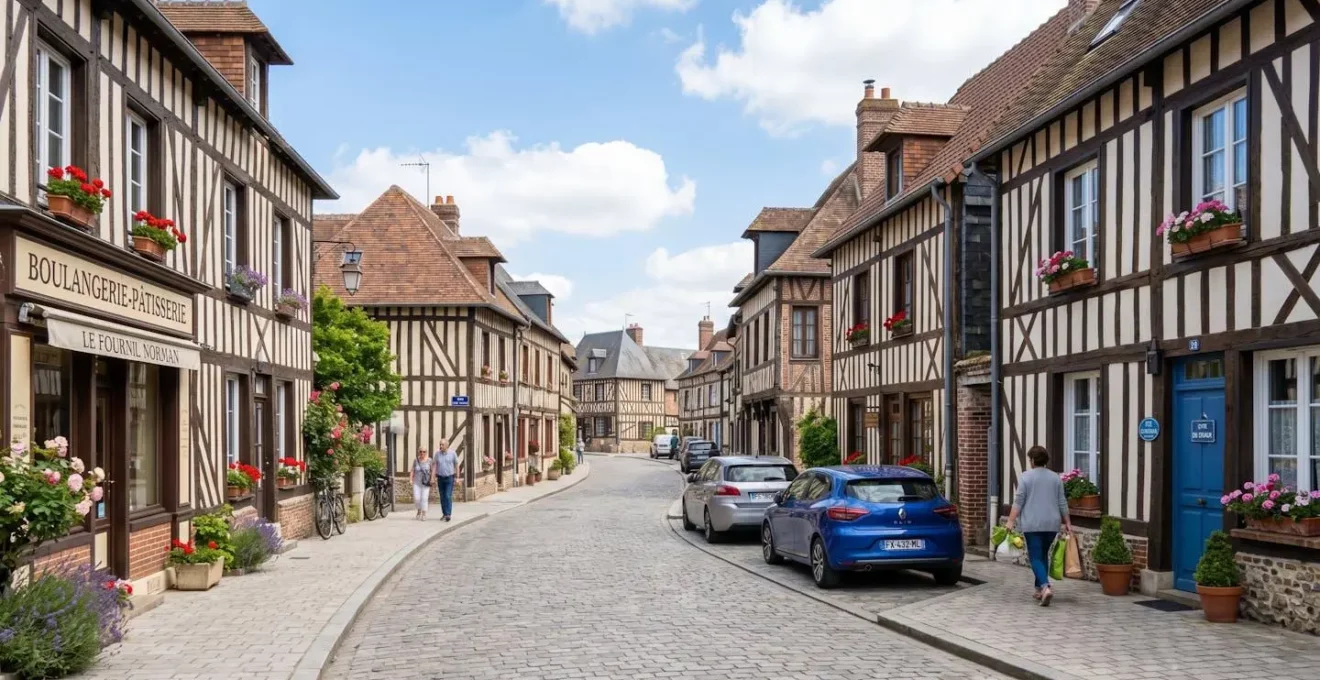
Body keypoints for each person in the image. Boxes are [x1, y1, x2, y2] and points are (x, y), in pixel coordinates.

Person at [1005, 446, 1073, 606]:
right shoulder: (1056, 478)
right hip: (1052, 524)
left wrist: (1010, 520)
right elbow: (1062, 501)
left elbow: (1019, 501)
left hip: (1032, 524)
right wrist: (1068, 522)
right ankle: (1038, 589)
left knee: (1035, 557)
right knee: (1043, 555)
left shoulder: (1025, 477)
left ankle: (1045, 587)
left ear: (1033, 460)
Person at [432, 438, 459, 522]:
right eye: (440, 444)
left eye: (442, 445)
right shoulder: (437, 454)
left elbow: (456, 465)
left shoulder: (453, 453)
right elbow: (434, 466)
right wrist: (432, 478)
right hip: (440, 478)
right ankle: (444, 514)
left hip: (450, 478)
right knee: (442, 497)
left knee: (447, 495)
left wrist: (457, 478)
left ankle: (448, 514)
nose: (440, 446)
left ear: (447, 445)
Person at [410, 447, 433, 520]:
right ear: (418, 452)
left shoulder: (429, 460)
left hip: (426, 483)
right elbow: (412, 470)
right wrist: (410, 479)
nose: (422, 453)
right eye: (420, 451)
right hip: (417, 482)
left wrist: (433, 479)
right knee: (417, 498)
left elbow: (433, 470)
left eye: (424, 452)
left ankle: (424, 513)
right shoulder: (416, 460)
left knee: (424, 498)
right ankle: (419, 510)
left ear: (426, 452)